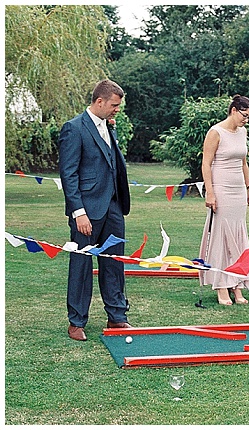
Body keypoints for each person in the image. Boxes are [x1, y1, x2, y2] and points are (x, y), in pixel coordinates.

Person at [59, 79, 133, 341]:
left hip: (113, 207)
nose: (117, 110)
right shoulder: (74, 129)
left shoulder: (108, 126)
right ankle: (76, 321)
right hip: (87, 210)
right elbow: (68, 174)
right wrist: (78, 212)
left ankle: (117, 317)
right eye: (114, 105)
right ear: (99, 101)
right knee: (81, 264)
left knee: (114, 263)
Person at [199, 95, 249, 305]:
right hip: (221, 189)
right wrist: (210, 192)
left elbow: (243, 163)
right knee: (222, 237)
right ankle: (221, 285)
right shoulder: (215, 132)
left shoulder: (242, 132)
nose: (246, 120)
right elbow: (206, 164)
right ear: (234, 110)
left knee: (238, 236)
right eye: (244, 115)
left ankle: (237, 284)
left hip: (238, 191)